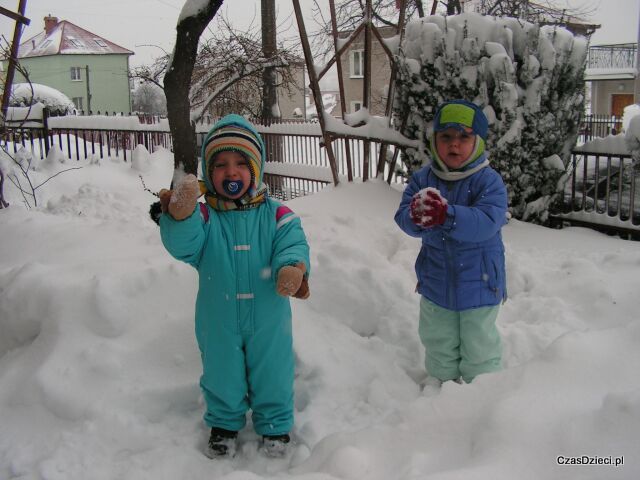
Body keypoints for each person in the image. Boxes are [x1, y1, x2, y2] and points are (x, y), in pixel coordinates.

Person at [158, 114, 310, 458]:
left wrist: (292, 267)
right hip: (219, 318)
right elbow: (184, 245)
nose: (231, 172)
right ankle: (224, 422)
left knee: (273, 368)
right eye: (221, 164)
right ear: (209, 173)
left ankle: (275, 424)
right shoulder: (206, 218)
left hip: (268, 316)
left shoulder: (276, 213)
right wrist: (181, 217)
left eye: (241, 163)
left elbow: (293, 243)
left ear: (255, 169)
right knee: (220, 370)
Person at [394, 99, 508, 388]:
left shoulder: (488, 181)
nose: (454, 145)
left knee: (478, 342)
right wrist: (416, 216)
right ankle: (441, 385)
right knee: (438, 338)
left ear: (478, 142)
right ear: (434, 140)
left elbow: (486, 222)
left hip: (480, 282)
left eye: (464, 137)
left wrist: (447, 215)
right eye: (445, 137)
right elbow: (403, 217)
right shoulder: (424, 179)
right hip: (436, 281)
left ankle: (481, 391)